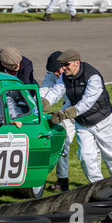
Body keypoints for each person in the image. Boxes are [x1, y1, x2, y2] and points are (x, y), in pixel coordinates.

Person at [42, 49, 112, 183]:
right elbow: (56, 91)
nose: (63, 68)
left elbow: (87, 103)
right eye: (63, 65)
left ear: (76, 63)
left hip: (102, 121)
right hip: (82, 123)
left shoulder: (93, 77)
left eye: (66, 65)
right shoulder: (65, 76)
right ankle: (98, 185)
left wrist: (66, 114)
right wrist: (44, 103)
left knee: (110, 155)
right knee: (86, 157)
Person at [39, 51, 75, 191]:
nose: (55, 74)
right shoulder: (52, 74)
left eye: (57, 71)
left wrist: (64, 112)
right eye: (52, 72)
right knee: (62, 142)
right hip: (67, 110)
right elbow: (44, 93)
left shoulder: (74, 73)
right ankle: (62, 181)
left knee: (93, 152)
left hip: (82, 109)